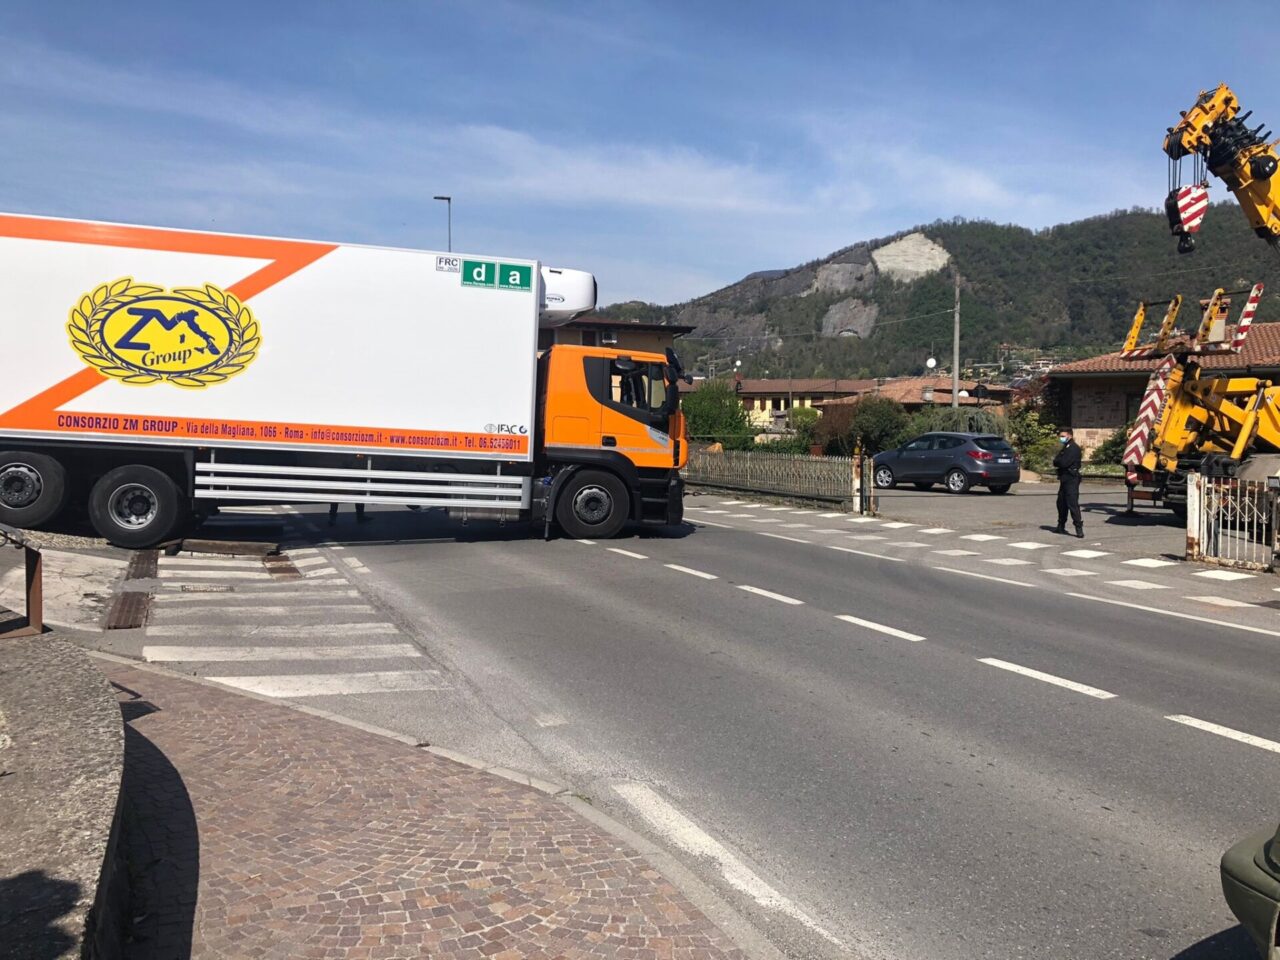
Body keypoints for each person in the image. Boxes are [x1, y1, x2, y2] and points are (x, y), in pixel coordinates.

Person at [1052, 427, 1084, 538]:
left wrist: (1058, 461)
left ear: (1069, 435)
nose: (1061, 438)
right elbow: (1056, 461)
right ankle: (1061, 525)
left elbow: (1063, 462)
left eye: (1063, 436)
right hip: (1064, 478)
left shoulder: (1073, 448)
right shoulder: (1066, 447)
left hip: (1071, 479)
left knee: (1072, 503)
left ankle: (1078, 528)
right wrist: (1058, 461)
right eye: (1060, 436)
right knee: (1061, 503)